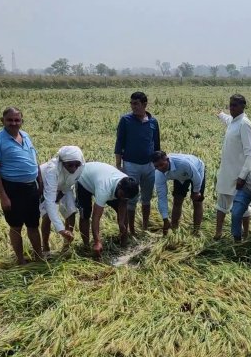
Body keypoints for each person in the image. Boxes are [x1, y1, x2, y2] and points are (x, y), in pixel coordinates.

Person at [0, 107, 44, 264]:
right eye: (10, 120)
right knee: (16, 226)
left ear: (21, 121)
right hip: (13, 189)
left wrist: (40, 182)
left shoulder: (25, 136)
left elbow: (34, 160)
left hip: (31, 188)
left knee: (33, 224)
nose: (13, 123)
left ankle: (39, 257)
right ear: (2, 121)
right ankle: (20, 260)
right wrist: (3, 196)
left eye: (17, 120)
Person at [114, 91, 161, 234]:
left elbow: (156, 145)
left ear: (144, 104)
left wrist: (157, 164)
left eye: (136, 104)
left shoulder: (153, 122)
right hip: (131, 165)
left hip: (149, 166)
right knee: (131, 198)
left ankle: (145, 227)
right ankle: (131, 230)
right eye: (131, 103)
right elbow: (119, 143)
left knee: (146, 198)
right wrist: (118, 165)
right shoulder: (126, 120)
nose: (133, 106)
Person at [76, 162, 139, 258]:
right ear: (119, 186)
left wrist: (121, 223)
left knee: (123, 210)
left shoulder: (128, 186)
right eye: (122, 195)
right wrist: (97, 241)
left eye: (126, 197)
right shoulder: (104, 189)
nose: (123, 198)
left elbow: (123, 203)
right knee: (85, 214)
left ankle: (124, 243)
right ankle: (87, 247)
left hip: (100, 177)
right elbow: (96, 218)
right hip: (84, 180)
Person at [214, 94, 251, 239]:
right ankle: (218, 232)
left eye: (235, 105)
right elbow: (227, 119)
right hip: (227, 173)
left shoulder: (244, 124)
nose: (231, 108)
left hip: (239, 175)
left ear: (243, 106)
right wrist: (220, 114)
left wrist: (242, 176)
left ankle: (245, 234)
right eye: (230, 105)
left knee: (242, 206)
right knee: (222, 203)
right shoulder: (233, 121)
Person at [40, 146, 85, 255]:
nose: (74, 168)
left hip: (64, 187)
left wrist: (62, 193)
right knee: (47, 215)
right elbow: (50, 202)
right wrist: (60, 229)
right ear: (62, 162)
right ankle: (45, 246)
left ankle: (66, 246)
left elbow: (71, 182)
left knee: (71, 211)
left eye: (77, 165)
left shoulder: (81, 166)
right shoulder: (52, 170)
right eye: (70, 165)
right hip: (45, 186)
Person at [151, 150, 205, 236]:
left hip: (196, 170)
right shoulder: (159, 174)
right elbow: (162, 197)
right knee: (177, 200)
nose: (160, 168)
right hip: (178, 176)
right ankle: (174, 228)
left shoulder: (183, 164)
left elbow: (196, 177)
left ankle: (196, 230)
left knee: (197, 201)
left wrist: (196, 192)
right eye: (156, 166)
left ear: (167, 159)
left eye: (162, 164)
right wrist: (165, 219)